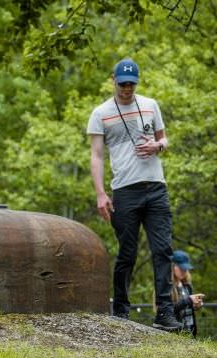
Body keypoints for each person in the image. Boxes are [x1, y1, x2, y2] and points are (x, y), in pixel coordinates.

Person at [87, 58, 182, 331]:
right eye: (122, 83)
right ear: (113, 80)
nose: (127, 88)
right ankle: (120, 311)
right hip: (124, 191)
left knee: (163, 249)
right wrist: (101, 194)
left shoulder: (150, 105)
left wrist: (157, 146)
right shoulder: (101, 112)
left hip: (155, 187)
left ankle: (165, 312)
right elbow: (96, 156)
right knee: (127, 253)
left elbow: (164, 138)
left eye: (131, 84)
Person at [171, 250, 204, 337]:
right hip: (175, 333)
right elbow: (167, 310)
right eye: (181, 268)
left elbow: (187, 306)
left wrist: (196, 305)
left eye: (185, 268)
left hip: (190, 331)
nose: (184, 271)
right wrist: (189, 299)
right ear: (172, 266)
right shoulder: (166, 287)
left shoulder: (187, 286)